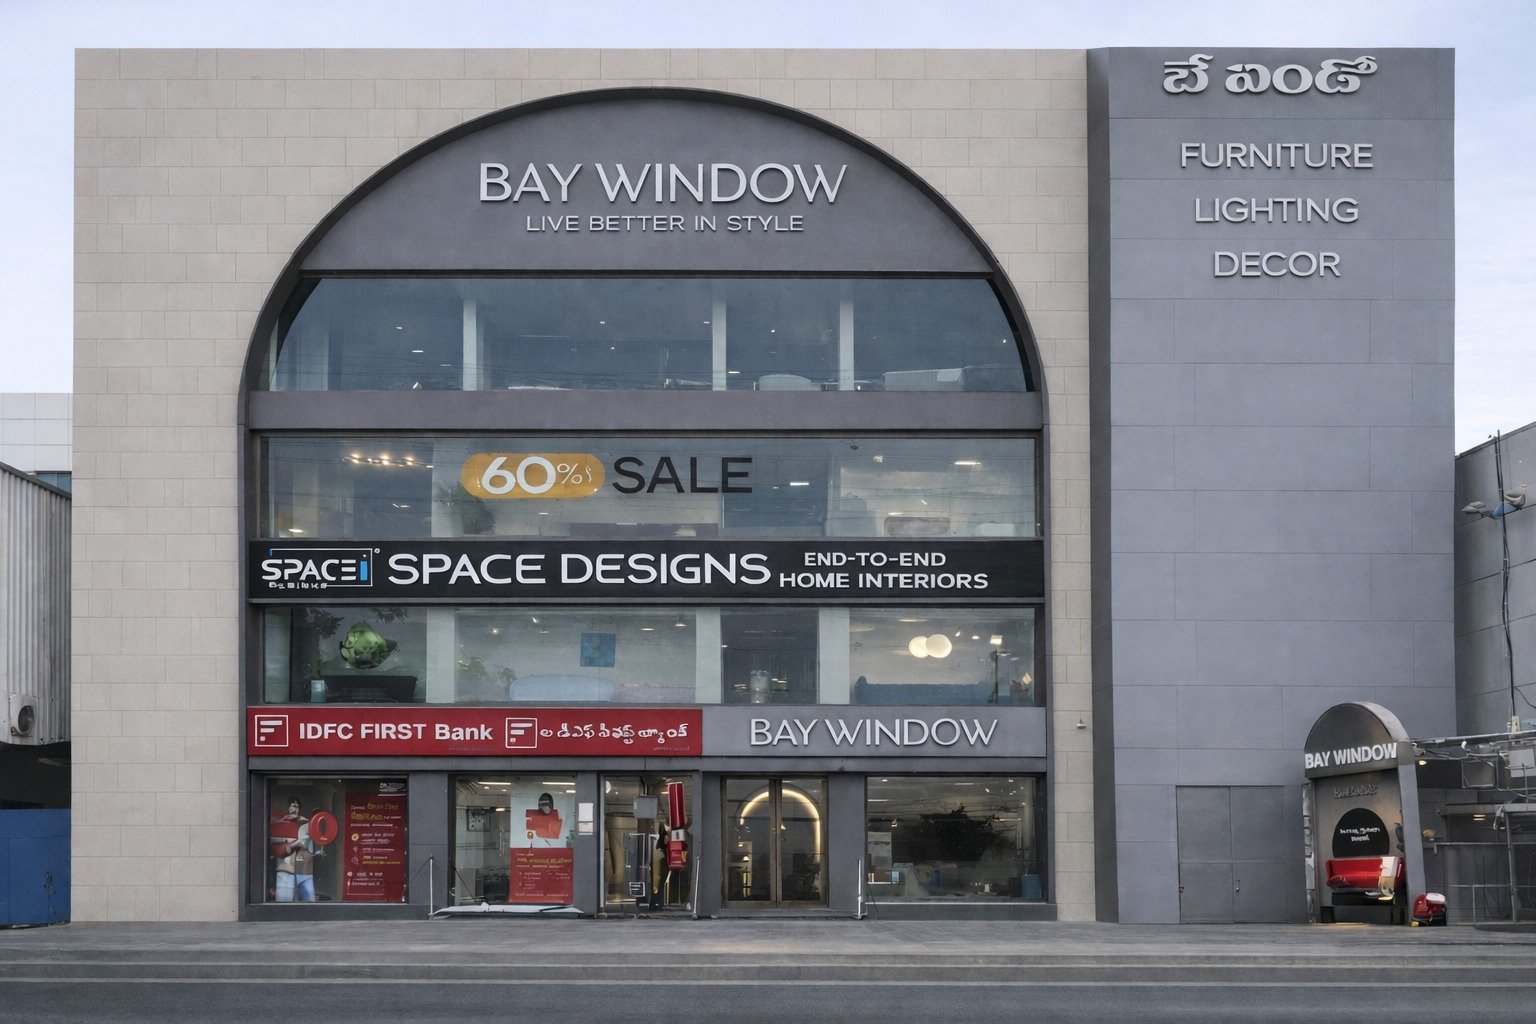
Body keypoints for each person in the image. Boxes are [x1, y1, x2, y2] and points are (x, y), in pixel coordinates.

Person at [270, 797, 315, 902]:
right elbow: (272, 849)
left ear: (299, 809)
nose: (293, 808)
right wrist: (293, 845)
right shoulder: (278, 825)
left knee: (310, 904)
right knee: (284, 903)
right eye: (291, 805)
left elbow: (315, 847)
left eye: (296, 806)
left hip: (305, 871)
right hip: (286, 868)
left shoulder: (308, 825)